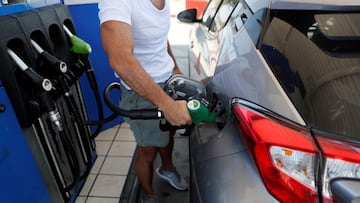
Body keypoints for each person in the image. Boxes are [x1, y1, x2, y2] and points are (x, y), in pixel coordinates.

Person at [98, 0, 192, 202]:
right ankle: (148, 195)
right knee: (147, 151)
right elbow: (120, 59)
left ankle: (167, 169)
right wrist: (167, 106)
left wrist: (175, 68)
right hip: (142, 93)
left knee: (168, 135)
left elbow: (159, 38)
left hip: (167, 83)